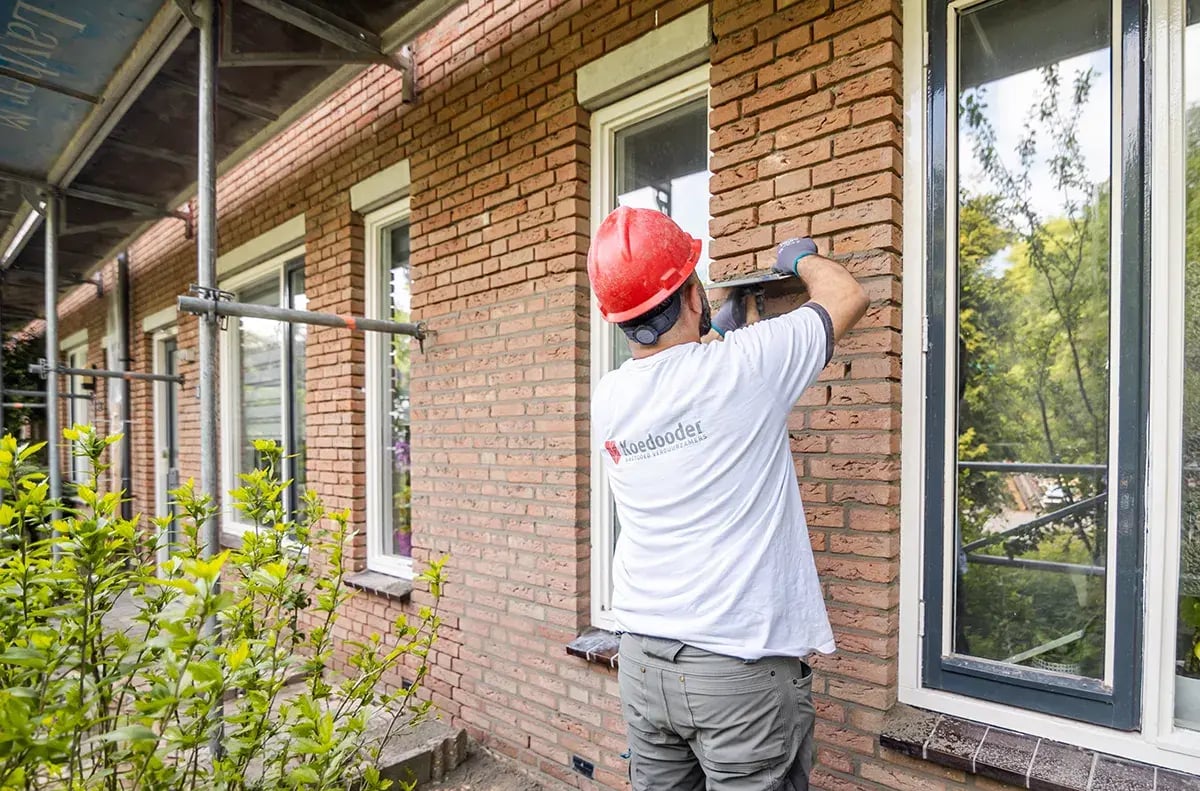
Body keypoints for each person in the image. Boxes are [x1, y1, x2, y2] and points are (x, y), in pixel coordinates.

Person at [587, 206, 869, 791]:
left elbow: (687, 368)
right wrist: (799, 257)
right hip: (736, 672)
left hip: (641, 660)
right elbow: (845, 296)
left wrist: (721, 321)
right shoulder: (746, 367)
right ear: (692, 294)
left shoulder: (610, 397)